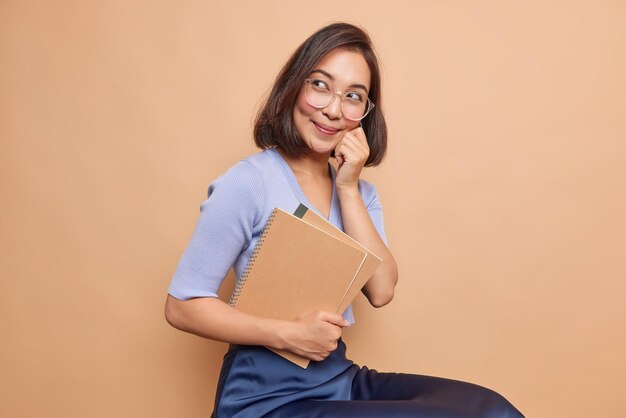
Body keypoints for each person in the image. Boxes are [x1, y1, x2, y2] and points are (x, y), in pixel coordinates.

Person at [164, 22, 525, 418]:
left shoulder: (359, 193)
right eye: (320, 85)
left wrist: (349, 188)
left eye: (354, 96)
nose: (334, 110)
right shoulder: (250, 181)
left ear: (366, 113)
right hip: (262, 396)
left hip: (338, 378)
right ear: (294, 86)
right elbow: (182, 305)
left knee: (492, 410)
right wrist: (289, 334)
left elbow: (382, 290)